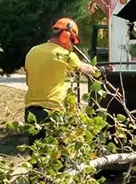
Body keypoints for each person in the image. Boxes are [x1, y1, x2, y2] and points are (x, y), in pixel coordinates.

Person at [24, 17, 103, 145]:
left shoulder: (32, 51)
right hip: (52, 112)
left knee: (38, 154)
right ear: (65, 36)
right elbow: (87, 69)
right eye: (72, 41)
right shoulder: (65, 55)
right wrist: (102, 70)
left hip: (30, 111)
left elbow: (29, 81)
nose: (72, 45)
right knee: (59, 156)